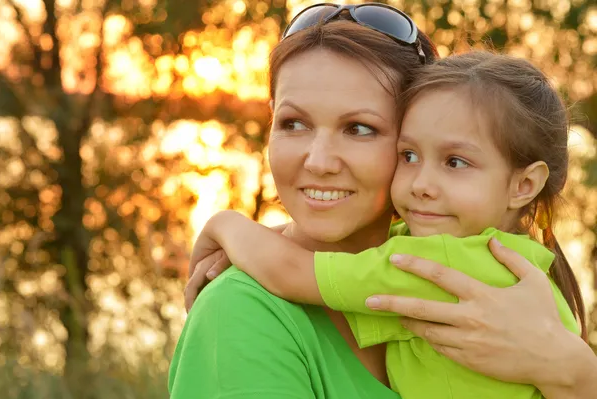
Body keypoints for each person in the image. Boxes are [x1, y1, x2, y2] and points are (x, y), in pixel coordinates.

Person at [174, 3, 597, 399]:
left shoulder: (433, 264)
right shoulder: (240, 314)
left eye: (359, 128)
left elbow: (294, 270)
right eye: (293, 122)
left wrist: (227, 225)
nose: (319, 162)